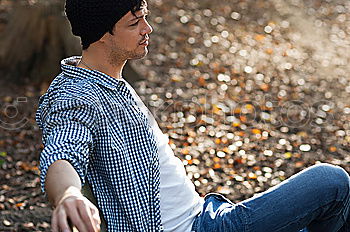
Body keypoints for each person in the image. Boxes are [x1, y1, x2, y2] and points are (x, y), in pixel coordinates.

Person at [35, 0, 350, 231]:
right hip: (198, 228)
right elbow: (64, 149)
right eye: (134, 23)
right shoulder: (76, 98)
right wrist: (68, 193)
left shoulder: (108, 81)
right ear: (101, 35)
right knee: (331, 182)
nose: (148, 29)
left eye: (144, 17)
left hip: (207, 212)